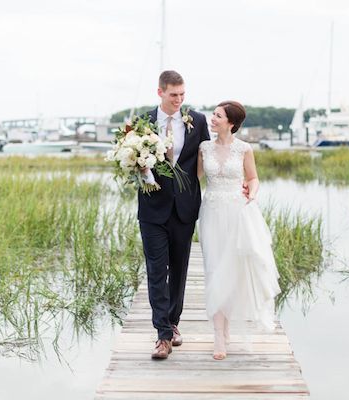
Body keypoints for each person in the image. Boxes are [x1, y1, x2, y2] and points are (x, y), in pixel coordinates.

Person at [197, 101, 281, 360]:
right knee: (213, 269)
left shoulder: (244, 149)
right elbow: (193, 177)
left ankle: (227, 325)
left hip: (237, 212)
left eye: (218, 116)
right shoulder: (204, 147)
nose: (212, 119)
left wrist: (252, 193)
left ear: (231, 123)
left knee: (231, 269)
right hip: (210, 212)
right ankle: (219, 336)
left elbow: (253, 178)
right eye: (213, 114)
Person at [138, 70, 210, 359]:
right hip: (152, 207)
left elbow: (205, 156)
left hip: (185, 208)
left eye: (182, 94)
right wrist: (142, 172)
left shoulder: (198, 120)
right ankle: (163, 336)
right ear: (160, 93)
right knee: (157, 271)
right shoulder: (143, 122)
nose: (179, 100)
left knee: (179, 270)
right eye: (173, 95)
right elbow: (133, 160)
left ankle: (174, 322)